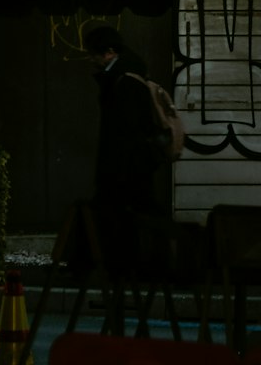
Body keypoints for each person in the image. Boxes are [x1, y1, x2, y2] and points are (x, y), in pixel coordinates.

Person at [82, 26, 172, 332]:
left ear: (108, 52)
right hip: (130, 176)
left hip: (122, 177)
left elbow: (123, 137)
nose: (91, 60)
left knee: (116, 239)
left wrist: (114, 176)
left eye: (93, 53)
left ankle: (123, 279)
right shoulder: (129, 77)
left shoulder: (123, 83)